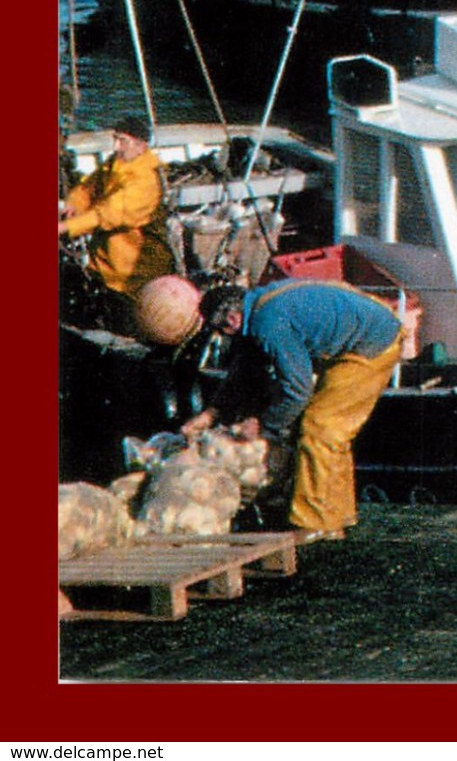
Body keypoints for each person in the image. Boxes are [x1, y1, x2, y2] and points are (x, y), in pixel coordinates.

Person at [180, 280, 404, 539]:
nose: (222, 336)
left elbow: (297, 391)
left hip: (372, 346)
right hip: (366, 327)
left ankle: (317, 523)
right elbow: (244, 369)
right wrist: (211, 413)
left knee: (321, 428)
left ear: (231, 319)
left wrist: (264, 426)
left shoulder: (269, 325)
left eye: (221, 330)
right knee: (327, 428)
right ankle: (338, 514)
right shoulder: (257, 307)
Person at [58, 114, 175, 332]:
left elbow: (107, 215)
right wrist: (73, 205)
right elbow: (88, 188)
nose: (117, 146)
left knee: (131, 326)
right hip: (105, 267)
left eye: (123, 141)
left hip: (135, 275)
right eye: (115, 139)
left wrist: (65, 228)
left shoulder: (145, 180)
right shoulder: (115, 164)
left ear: (141, 146)